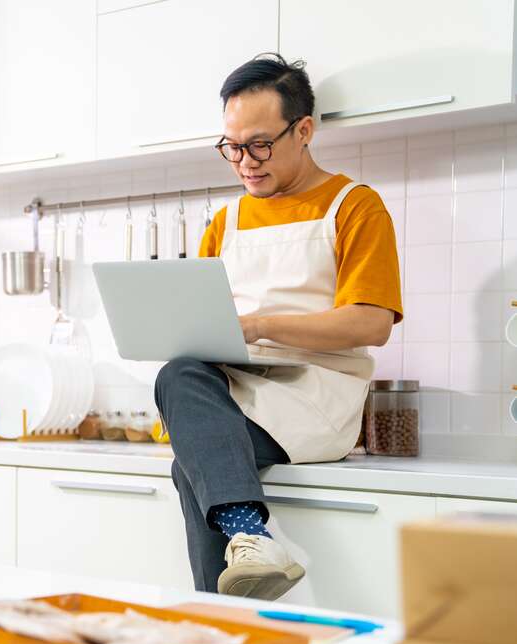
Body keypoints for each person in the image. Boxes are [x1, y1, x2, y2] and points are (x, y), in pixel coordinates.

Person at [153, 53, 403, 600]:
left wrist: (261, 325)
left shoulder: (354, 207)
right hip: (240, 388)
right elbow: (205, 327)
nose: (245, 162)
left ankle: (222, 612)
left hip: (315, 393)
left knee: (191, 467)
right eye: (233, 147)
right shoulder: (227, 222)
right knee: (179, 371)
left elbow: (372, 322)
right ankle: (252, 546)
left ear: (304, 130)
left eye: (259, 144)